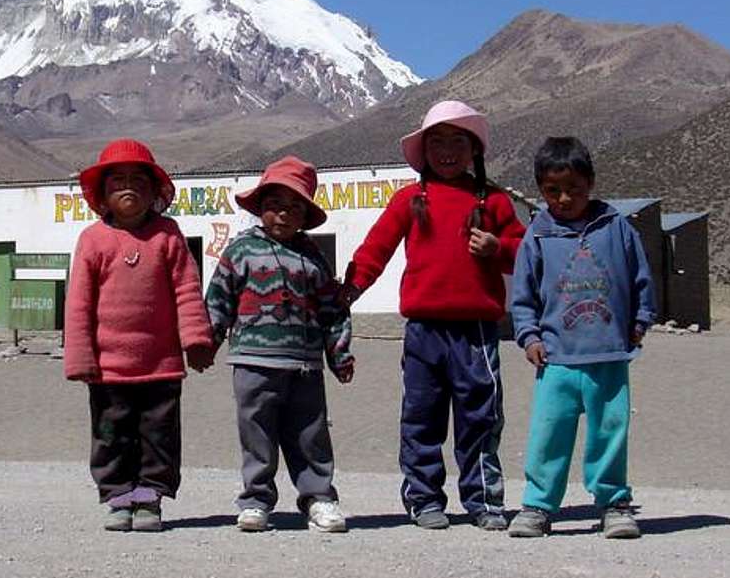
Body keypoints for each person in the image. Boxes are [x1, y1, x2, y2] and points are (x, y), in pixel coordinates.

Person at [340, 100, 525, 531]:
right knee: (421, 414)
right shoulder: (410, 199)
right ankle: (423, 498)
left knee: (480, 415)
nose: (447, 151)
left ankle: (483, 500)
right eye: (437, 142)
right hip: (424, 330)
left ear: (474, 150)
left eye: (457, 141)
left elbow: (526, 253)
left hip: (477, 331)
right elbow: (376, 249)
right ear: (423, 152)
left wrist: (498, 248)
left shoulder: (494, 200)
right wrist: (351, 288)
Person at [507, 137, 656, 539]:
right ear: (540, 189)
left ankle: (613, 504)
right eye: (552, 191)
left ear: (590, 182)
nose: (564, 198)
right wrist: (529, 335)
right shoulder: (537, 235)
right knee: (548, 433)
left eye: (574, 188)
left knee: (610, 432)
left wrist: (641, 320)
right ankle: (538, 506)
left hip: (609, 354)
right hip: (556, 359)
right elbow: (522, 294)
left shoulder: (617, 228)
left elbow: (643, 280)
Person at [63, 138, 215, 533]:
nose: (128, 187)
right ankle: (117, 496)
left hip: (161, 367)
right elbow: (78, 301)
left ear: (153, 191)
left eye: (138, 180)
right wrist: (80, 357)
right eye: (118, 181)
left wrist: (196, 340)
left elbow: (186, 288)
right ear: (103, 194)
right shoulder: (92, 240)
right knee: (111, 435)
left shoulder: (167, 235)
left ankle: (150, 497)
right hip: (108, 371)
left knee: (158, 436)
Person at [206, 156, 354, 533]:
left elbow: (332, 310)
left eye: (293, 207)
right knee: (256, 433)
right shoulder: (240, 251)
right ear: (260, 208)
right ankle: (256, 500)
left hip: (304, 364)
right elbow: (218, 298)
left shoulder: (313, 257)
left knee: (310, 433)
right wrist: (206, 340)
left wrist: (339, 353)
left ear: (305, 214)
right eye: (274, 206)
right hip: (252, 362)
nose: (283, 215)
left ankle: (319, 498)